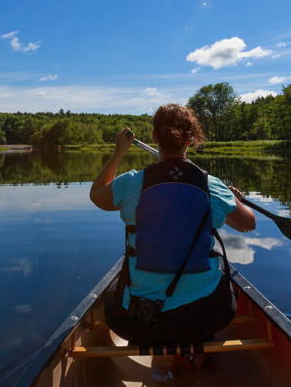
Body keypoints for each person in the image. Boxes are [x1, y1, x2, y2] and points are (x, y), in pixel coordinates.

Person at [90, 104, 256, 347]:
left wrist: (118, 153)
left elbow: (97, 195)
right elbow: (248, 223)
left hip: (137, 319)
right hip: (207, 315)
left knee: (116, 288)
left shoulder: (133, 182)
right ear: (189, 139)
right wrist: (233, 200)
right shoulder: (212, 185)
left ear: (155, 137)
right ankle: (193, 350)